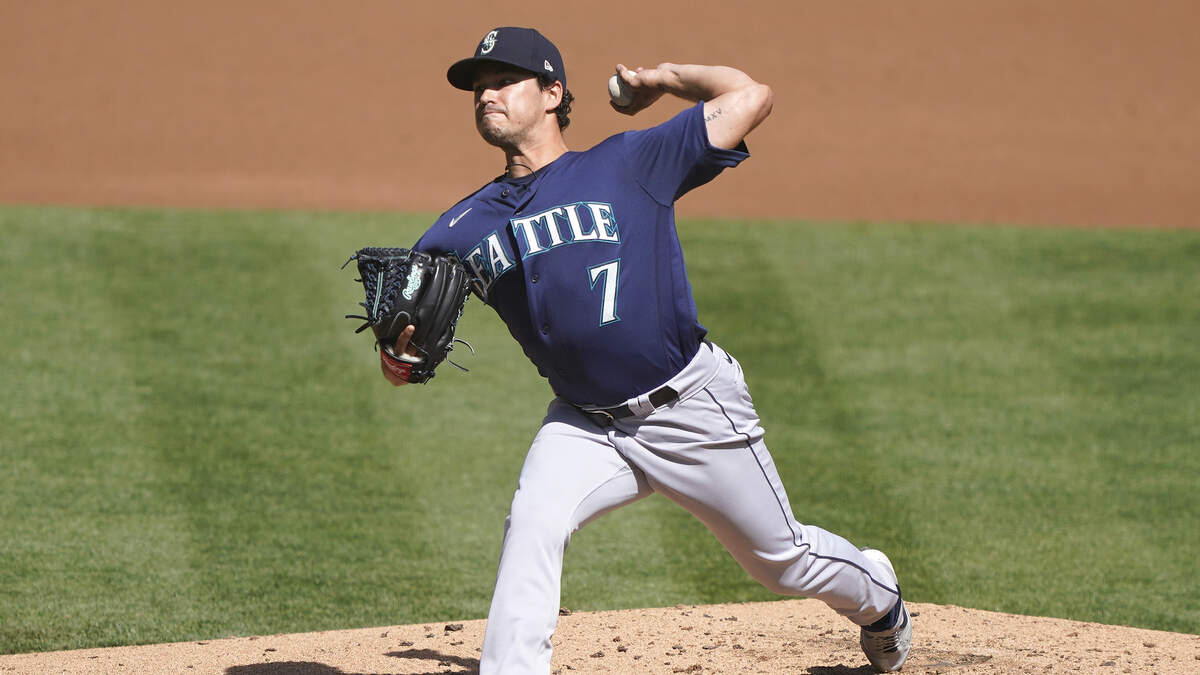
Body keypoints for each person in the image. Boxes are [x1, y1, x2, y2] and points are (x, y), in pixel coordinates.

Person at [383, 26, 913, 674]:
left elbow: (752, 97)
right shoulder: (459, 228)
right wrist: (397, 360)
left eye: (503, 81)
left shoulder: (631, 162)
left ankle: (880, 599)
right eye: (478, 87)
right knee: (533, 521)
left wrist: (664, 80)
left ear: (552, 93)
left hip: (689, 406)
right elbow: (403, 347)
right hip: (585, 423)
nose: (486, 95)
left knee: (780, 560)